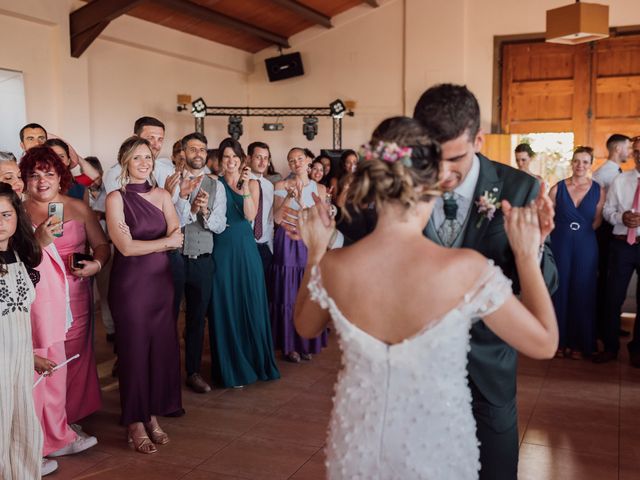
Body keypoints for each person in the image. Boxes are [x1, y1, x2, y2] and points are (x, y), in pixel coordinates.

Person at [293, 116, 558, 479]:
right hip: (436, 445)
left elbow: (305, 327)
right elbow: (544, 343)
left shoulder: (335, 265)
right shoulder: (466, 269)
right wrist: (527, 255)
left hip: (359, 444)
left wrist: (314, 253)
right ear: (439, 184)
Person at [414, 84, 558, 479]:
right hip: (416, 376)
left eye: (456, 158)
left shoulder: (519, 188)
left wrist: (536, 248)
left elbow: (546, 287)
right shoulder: (401, 186)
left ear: (478, 140)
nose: (442, 173)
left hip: (488, 371)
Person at [20, 148, 97, 472]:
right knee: (38, 369)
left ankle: (60, 431)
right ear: (25, 179)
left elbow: (101, 244)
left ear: (60, 176)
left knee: (65, 366)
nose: (42, 181)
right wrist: (38, 239)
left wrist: (96, 263)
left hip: (73, 293)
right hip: (34, 298)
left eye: (48, 174)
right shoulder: (15, 211)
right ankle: (34, 442)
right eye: (35, 175)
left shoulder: (77, 207)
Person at [106, 136, 184, 453]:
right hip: (131, 286)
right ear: (125, 161)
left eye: (148, 157)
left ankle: (151, 415)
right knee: (134, 352)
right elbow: (124, 248)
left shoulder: (163, 194)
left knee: (160, 350)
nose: (144, 163)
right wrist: (163, 243)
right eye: (137, 157)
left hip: (161, 283)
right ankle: (135, 422)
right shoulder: (116, 198)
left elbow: (178, 234)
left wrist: (151, 245)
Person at [208, 137, 280, 387]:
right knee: (225, 304)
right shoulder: (213, 184)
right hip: (221, 249)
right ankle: (231, 368)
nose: (230, 161)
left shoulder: (252, 184)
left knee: (249, 302)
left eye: (234, 157)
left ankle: (254, 362)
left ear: (242, 160)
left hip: (246, 248)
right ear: (220, 160)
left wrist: (245, 187)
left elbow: (250, 214)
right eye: (226, 157)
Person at [173, 133, 227, 394]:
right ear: (183, 152)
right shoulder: (169, 182)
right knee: (167, 318)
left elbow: (218, 226)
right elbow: (167, 221)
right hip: (171, 259)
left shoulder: (216, 186)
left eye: (202, 149)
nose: (198, 153)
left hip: (202, 261)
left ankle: (192, 372)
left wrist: (204, 211)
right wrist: (188, 205)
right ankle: (166, 371)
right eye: (192, 148)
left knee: (196, 320)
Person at [0, 182, 44, 479]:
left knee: (23, 432)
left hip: (19, 364)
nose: (0, 223)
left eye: (5, 214)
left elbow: (19, 317)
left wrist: (32, 358)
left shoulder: (22, 258)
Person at [271, 147, 328, 363]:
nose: (296, 163)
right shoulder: (280, 185)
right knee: (288, 295)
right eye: (291, 160)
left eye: (300, 159)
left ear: (308, 161)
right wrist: (287, 198)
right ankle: (289, 345)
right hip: (286, 241)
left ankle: (306, 343)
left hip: (309, 242)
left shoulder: (320, 189)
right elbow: (276, 220)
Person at [548, 146, 604, 358]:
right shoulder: (557, 189)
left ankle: (580, 343)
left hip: (586, 244)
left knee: (583, 290)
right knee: (559, 289)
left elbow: (597, 221)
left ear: (591, 165)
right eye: (576, 161)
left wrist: (581, 234)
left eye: (585, 162)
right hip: (560, 242)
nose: (580, 165)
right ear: (571, 163)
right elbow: (547, 216)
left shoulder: (599, 190)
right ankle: (558, 342)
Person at [596, 136, 640, 367]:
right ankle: (610, 347)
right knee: (612, 297)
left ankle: (637, 349)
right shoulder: (621, 181)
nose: (639, 155)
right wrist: (620, 217)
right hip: (621, 243)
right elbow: (607, 211)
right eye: (637, 151)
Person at [592, 134, 631, 339]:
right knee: (606, 282)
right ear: (617, 149)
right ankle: (602, 328)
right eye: (628, 148)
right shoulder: (605, 174)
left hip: (615, 229)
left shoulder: (615, 171)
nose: (630, 152)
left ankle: (610, 327)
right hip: (605, 232)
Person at [103, 117, 174, 193]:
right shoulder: (116, 174)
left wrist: (182, 196)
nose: (156, 145)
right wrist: (166, 195)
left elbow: (177, 204)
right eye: (150, 138)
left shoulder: (167, 170)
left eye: (160, 139)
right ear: (135, 138)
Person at [248, 141, 275, 276]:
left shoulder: (270, 186)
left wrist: (270, 246)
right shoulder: (241, 183)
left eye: (266, 158)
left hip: (264, 246)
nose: (262, 162)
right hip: (246, 244)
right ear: (249, 158)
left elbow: (270, 218)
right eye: (258, 157)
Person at [44, 138, 89, 203]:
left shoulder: (81, 189)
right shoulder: (36, 187)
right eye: (51, 157)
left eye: (61, 156)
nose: (57, 161)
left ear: (68, 161)